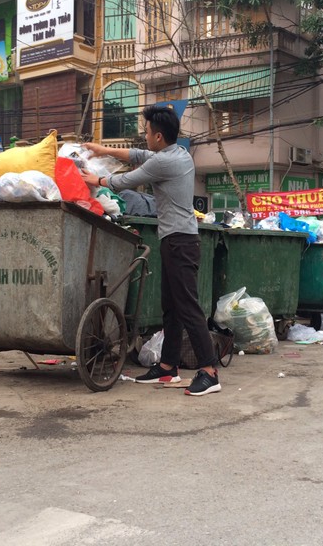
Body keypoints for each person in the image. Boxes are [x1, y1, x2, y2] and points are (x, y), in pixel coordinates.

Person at [79, 105, 221, 396]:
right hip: (174, 240)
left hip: (181, 242)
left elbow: (128, 180)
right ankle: (168, 367)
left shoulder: (165, 163)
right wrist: (101, 149)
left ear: (158, 136)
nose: (144, 136)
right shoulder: (175, 153)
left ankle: (209, 371)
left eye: (146, 132)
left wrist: (96, 180)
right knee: (171, 307)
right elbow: (136, 156)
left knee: (188, 307)